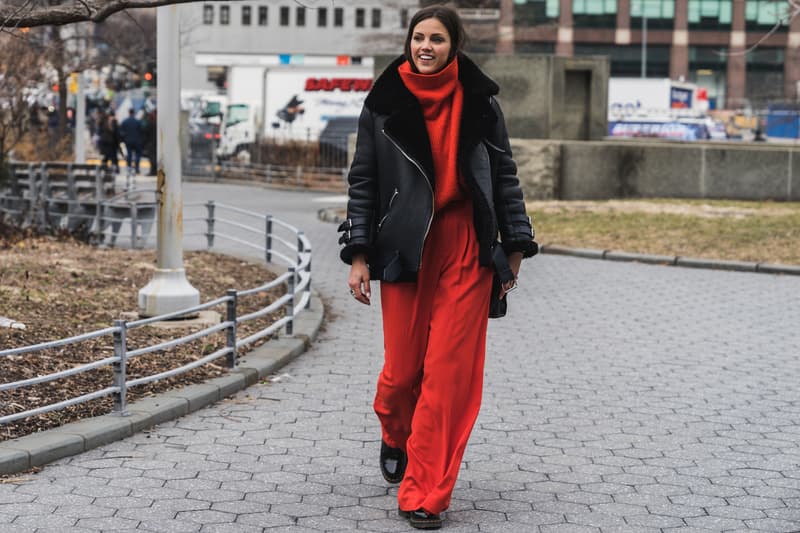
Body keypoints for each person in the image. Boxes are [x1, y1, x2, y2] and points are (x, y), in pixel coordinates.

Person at [337, 5, 536, 530]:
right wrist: (358, 253)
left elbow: (505, 175)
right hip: (405, 247)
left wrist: (516, 243)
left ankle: (425, 491)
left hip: (466, 246)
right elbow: (364, 181)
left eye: (438, 39)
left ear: (455, 46)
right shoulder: (383, 104)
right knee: (402, 374)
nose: (426, 46)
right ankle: (394, 430)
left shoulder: (481, 103)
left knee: (449, 375)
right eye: (419, 37)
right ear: (409, 42)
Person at [119, 108, 143, 175]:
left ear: (129, 113)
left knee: (129, 154)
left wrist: (123, 139)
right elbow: (141, 131)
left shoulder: (125, 122)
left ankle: (129, 167)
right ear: (134, 113)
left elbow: (121, 132)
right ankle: (137, 168)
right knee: (138, 154)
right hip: (137, 141)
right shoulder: (138, 122)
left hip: (128, 141)